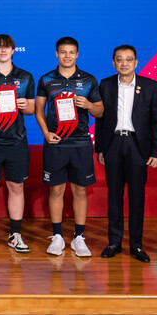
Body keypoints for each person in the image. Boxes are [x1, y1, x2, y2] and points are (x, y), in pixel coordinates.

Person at [35, 37, 103, 258]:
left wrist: (89, 105)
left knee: (80, 190)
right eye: (63, 52)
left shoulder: (89, 80)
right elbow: (38, 110)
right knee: (56, 190)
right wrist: (45, 133)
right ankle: (57, 236)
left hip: (81, 142)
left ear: (77, 54)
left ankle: (79, 238)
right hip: (55, 142)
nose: (67, 56)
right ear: (56, 54)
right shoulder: (46, 79)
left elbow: (100, 111)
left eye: (71, 52)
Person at [95, 45, 157, 263]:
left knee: (137, 198)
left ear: (136, 62)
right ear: (113, 63)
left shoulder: (150, 86)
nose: (124, 63)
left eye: (129, 59)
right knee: (113, 196)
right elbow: (101, 119)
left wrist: (156, 151)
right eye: (119, 59)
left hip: (137, 147)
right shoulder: (105, 85)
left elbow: (156, 122)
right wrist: (101, 148)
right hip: (113, 144)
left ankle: (136, 245)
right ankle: (114, 242)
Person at [0, 34, 35, 254]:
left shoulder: (25, 76)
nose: (2, 51)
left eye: (7, 47)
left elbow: (31, 109)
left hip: (16, 141)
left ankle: (15, 235)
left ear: (13, 51)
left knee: (16, 187)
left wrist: (23, 105)